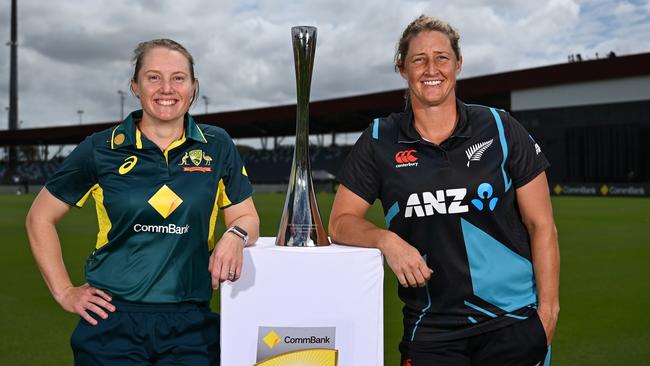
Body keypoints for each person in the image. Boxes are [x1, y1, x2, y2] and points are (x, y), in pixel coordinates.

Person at [329, 15, 559, 365]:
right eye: (418, 59)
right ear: (401, 68)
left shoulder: (500, 127)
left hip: (513, 323)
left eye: (442, 57)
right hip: (431, 329)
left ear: (458, 63)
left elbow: (541, 225)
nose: (431, 68)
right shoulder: (379, 139)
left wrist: (548, 314)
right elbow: (340, 222)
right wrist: (386, 241)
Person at [25, 38, 259, 366]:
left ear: (194, 87)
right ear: (135, 86)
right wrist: (64, 291)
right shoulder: (100, 148)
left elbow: (247, 217)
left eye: (178, 77)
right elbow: (39, 217)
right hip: (112, 322)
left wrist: (236, 236)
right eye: (153, 77)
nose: (167, 88)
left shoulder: (217, 145)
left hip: (191, 325)